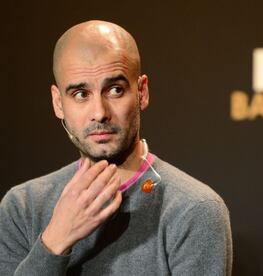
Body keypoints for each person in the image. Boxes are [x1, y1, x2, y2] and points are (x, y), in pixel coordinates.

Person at [0, 20, 232, 275]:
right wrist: (55, 240)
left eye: (115, 90)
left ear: (142, 92)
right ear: (58, 103)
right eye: (80, 94)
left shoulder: (195, 209)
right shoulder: (21, 207)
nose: (99, 113)